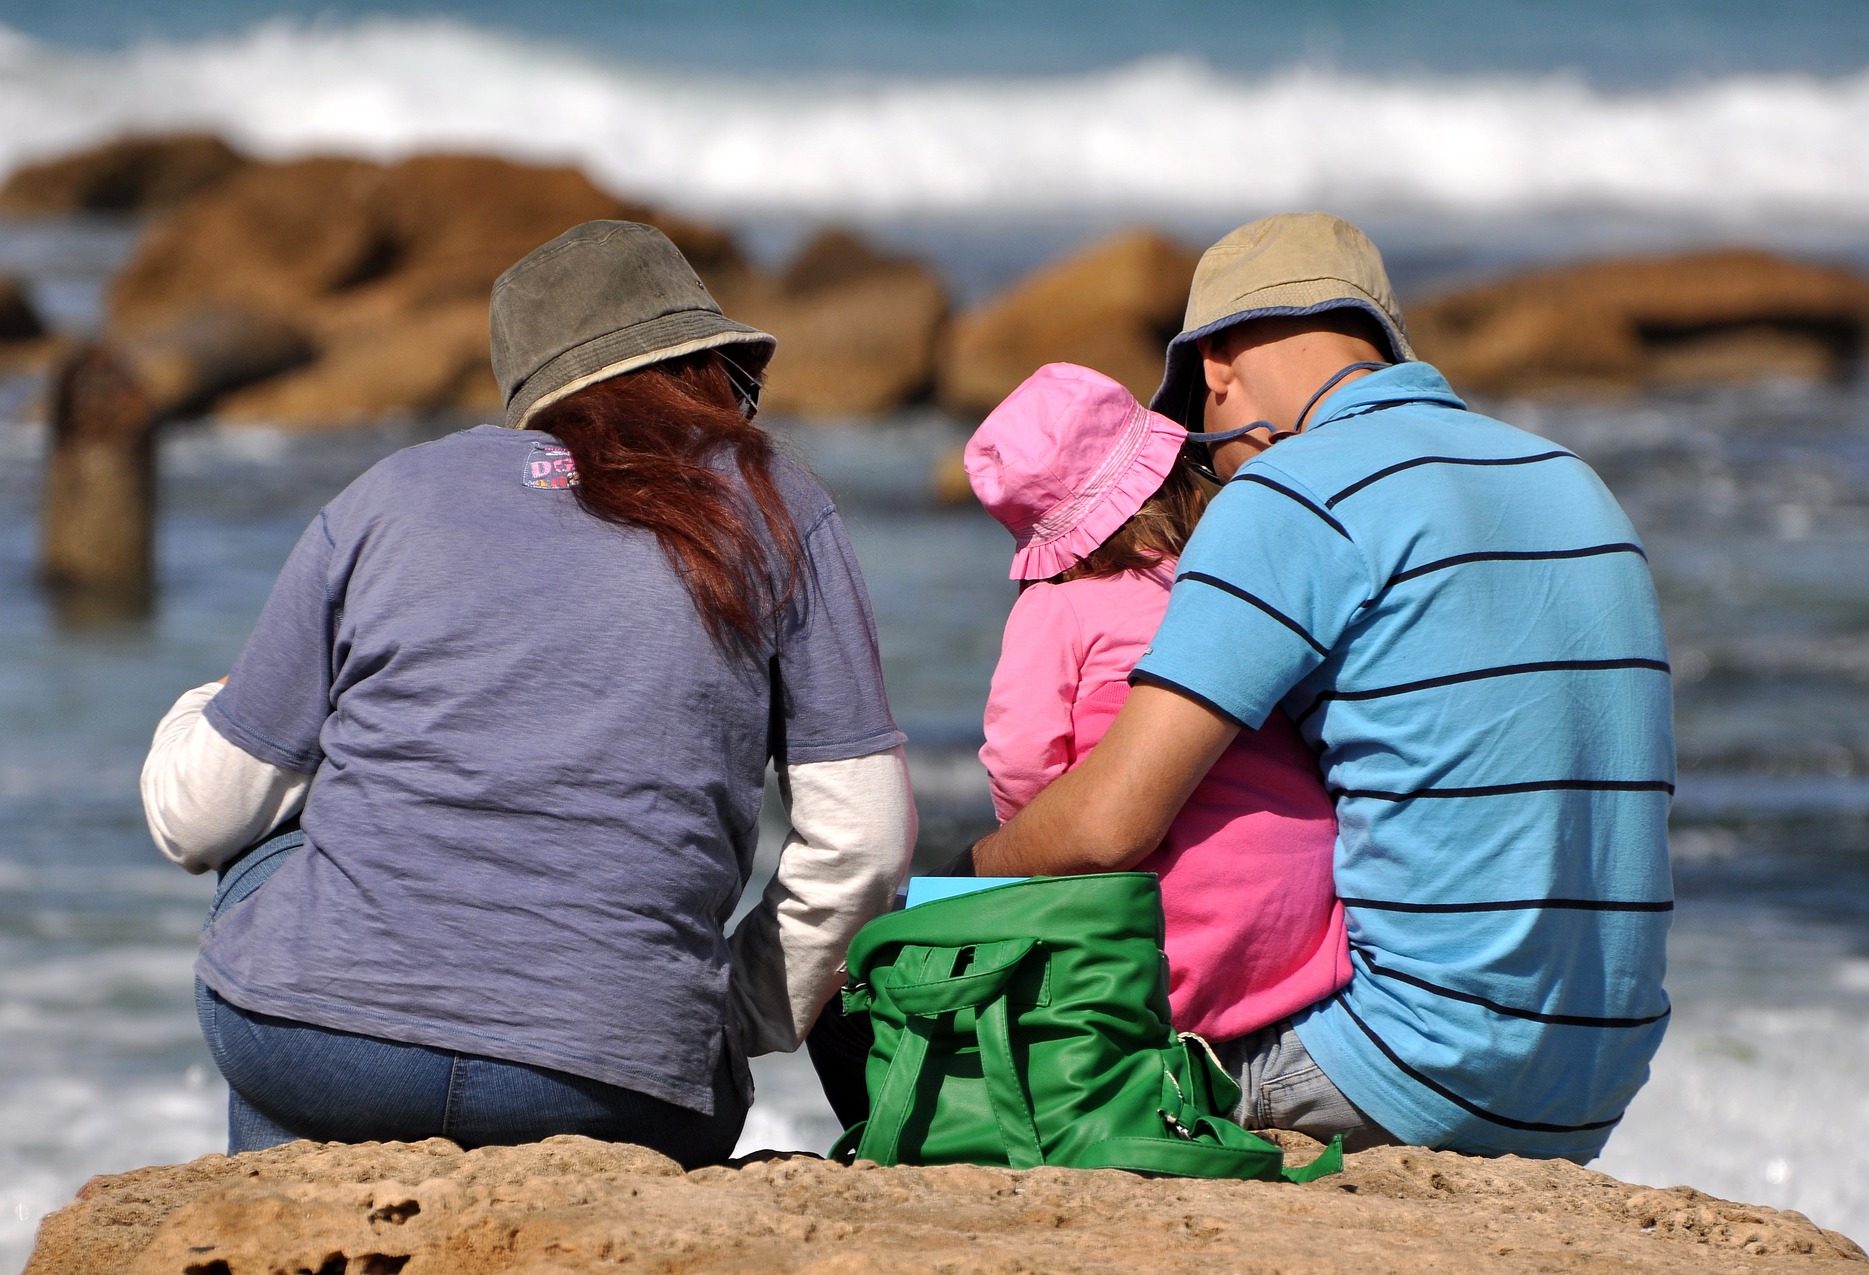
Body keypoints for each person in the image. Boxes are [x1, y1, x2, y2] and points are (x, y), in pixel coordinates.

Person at [140, 220, 916, 1166]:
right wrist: (727, 1012)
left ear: (530, 393)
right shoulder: (779, 504)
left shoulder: (392, 493)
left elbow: (199, 819)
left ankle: (281, 1219)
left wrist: (205, 702)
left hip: (324, 1051)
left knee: (287, 823)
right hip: (619, 1083)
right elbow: (867, 843)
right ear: (711, 374)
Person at [971, 213, 1674, 1163]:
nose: (1210, 459)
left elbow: (1110, 827)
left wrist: (971, 875)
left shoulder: (1294, 492)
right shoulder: (1574, 480)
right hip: (1598, 1077)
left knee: (974, 1044)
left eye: (1201, 426)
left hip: (1408, 1070)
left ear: (1216, 366)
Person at [966, 362, 1348, 1042]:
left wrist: (1033, 842)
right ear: (1172, 475)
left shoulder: (1056, 607)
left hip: (1181, 943)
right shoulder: (1224, 590)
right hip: (1310, 925)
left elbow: (1021, 758)